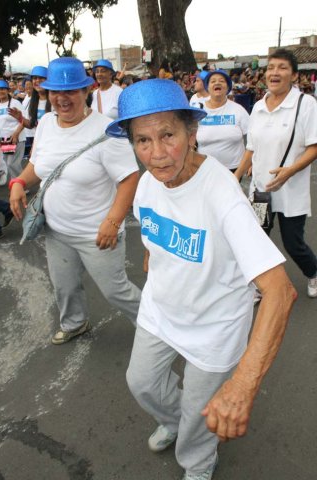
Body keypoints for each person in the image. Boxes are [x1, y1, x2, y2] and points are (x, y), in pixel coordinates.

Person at [105, 79, 296, 480]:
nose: (156, 154)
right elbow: (153, 238)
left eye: (168, 135)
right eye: (142, 141)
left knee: (198, 412)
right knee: (141, 383)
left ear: (192, 133)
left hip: (214, 326)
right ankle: (180, 423)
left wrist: (243, 384)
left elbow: (279, 291)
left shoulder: (221, 193)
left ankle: (198, 460)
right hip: (161, 311)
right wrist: (154, 262)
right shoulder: (145, 184)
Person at [9, 57, 141, 345]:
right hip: (56, 230)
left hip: (97, 232)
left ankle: (156, 328)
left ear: (85, 91)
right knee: (64, 287)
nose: (62, 98)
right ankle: (74, 323)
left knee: (116, 291)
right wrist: (19, 182)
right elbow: (39, 166)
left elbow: (129, 178)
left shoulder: (106, 130)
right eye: (56, 91)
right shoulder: (45, 123)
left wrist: (113, 221)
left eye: (70, 91)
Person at [235, 48, 317, 298]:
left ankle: (313, 273)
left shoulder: (305, 104)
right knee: (257, 240)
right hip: (260, 191)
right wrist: (236, 175)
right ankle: (260, 286)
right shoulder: (259, 106)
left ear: (293, 75)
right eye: (271, 68)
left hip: (291, 191)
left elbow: (314, 146)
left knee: (294, 244)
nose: (274, 72)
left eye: (282, 67)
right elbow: (251, 147)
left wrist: (290, 171)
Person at [196, 69, 250, 173]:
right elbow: (189, 136)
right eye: (213, 81)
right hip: (204, 168)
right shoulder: (198, 108)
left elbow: (253, 141)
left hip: (233, 169)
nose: (217, 83)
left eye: (221, 81)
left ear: (228, 87)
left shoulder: (238, 110)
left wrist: (243, 169)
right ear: (207, 87)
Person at [0, 79, 26, 181]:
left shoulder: (15, 103)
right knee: (9, 164)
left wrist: (16, 133)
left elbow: (24, 120)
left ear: (7, 90)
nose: (0, 92)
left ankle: (22, 185)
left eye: (2, 89)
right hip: (5, 140)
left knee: (12, 164)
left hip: (16, 138)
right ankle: (16, 185)